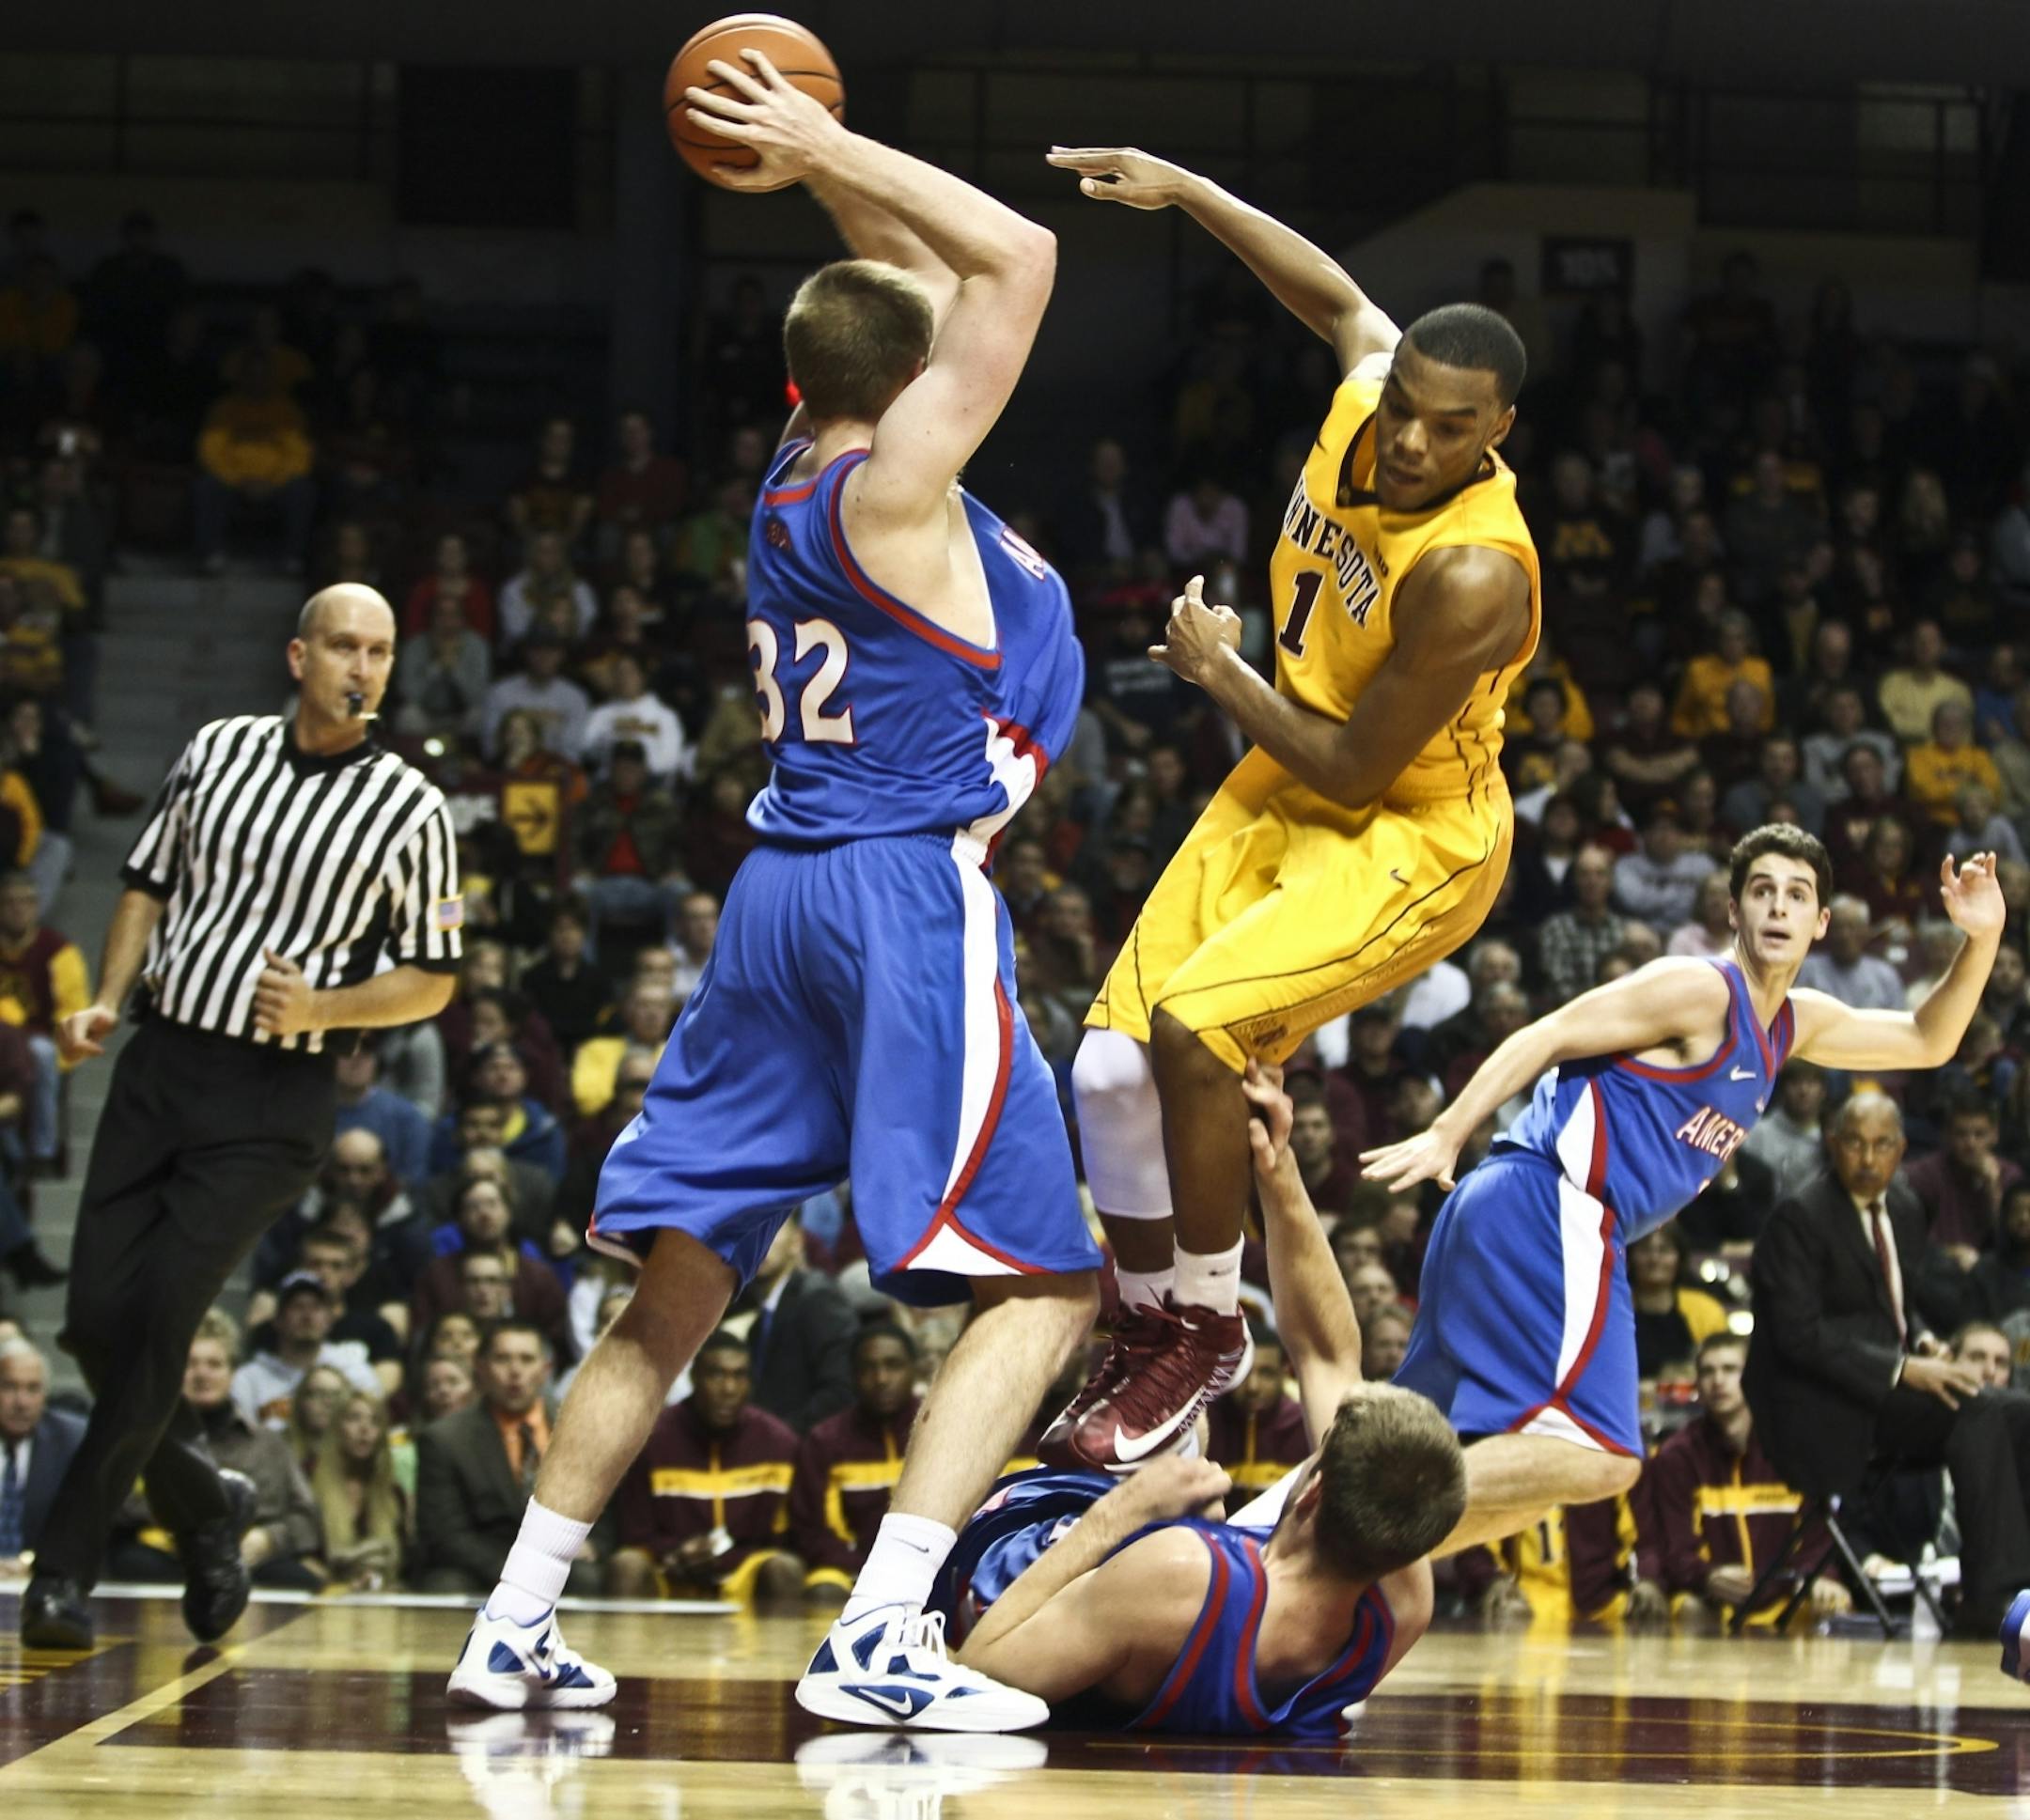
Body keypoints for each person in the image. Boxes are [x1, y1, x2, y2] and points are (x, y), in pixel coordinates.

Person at [447, 56, 1101, 1727]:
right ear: (920, 383)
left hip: (774, 899)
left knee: (674, 1291)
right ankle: (887, 1629)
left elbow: (921, 282)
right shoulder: (901, 491)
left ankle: (511, 1623)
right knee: (1051, 1283)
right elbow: (1011, 259)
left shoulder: (798, 471)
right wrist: (819, 139)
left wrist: (821, 177)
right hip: (898, 893)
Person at [1040, 142, 1539, 1479]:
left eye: (1453, 426)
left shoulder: (1475, 574)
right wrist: (1192, 192)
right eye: (1409, 410)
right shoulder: (1372, 396)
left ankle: (1206, 1325)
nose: (1415, 440)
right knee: (1101, 1065)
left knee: (1196, 1033)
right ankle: (1150, 1326)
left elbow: (1356, 773)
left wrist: (1219, 673)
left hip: (1411, 828)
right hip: (1291, 762)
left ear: (1498, 433)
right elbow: (1334, 302)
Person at [1359, 825, 2003, 1561]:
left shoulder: (1792, 1024)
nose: (1778, 907)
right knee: (1603, 1453)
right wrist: (1448, 1129)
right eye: (1762, 890)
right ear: (1733, 910)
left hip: (1515, 1208)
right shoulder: (1699, 989)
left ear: (1820, 922)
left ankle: (1314, 1549)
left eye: (1797, 895)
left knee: (1420, 1427)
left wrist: (1980, 940)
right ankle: (1367, 1526)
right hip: (1553, 1205)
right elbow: (1548, 1032)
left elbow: (1928, 1040)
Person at [22, 583, 460, 1651]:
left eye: (382, 651)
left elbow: (434, 977)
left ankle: (58, 1575)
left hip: (275, 1096)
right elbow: (143, 882)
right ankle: (208, 1505)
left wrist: (325, 1006)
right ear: (298, 654)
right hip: (162, 1061)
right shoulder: (218, 748)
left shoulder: (412, 806)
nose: (365, 667)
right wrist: (107, 998)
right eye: (346, 646)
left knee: (164, 1314)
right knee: (93, 1324)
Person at [922, 1063, 1464, 1734]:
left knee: (1072, 1331)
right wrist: (1277, 1169)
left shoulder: (1180, 1573)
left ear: (1316, 1487)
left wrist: (1124, 1512)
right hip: (1153, 1602)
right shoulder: (1403, 1598)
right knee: (1192, 1447)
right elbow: (1329, 1354)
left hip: (1006, 1563)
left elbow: (980, 1670)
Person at [1749, 1094, 2030, 1643]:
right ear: (1833, 1144)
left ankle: (2023, 1589)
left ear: (1902, 1150)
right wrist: (1904, 1369)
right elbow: (1797, 1337)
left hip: (1881, 1392)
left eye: (1881, 1145)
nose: (1868, 1158)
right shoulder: (1799, 1217)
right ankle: (1989, 1599)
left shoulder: (1902, 1207)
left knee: (2019, 1410)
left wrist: (1925, 1342)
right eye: (1855, 1143)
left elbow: (1898, 1304)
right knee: (1975, 1410)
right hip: (1813, 1405)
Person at [1643, 1334, 1847, 1625]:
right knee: (1689, 1608)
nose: (1718, 1381)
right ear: (1698, 1384)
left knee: (1835, 1599)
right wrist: (1708, 1576)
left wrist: (1818, 1576)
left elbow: (1819, 1536)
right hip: (1715, 1603)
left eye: (1730, 1370)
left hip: (1788, 1599)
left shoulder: (1797, 1449)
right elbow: (1676, 1550)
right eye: (1708, 1371)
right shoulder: (1676, 1457)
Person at [605, 1329, 803, 1604]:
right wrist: (678, 1551)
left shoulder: (778, 1443)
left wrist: (726, 1557)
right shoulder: (651, 1439)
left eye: (739, 1376)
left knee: (785, 1568)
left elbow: (790, 1538)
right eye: (717, 1374)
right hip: (670, 1568)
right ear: (694, 1377)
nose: (729, 1389)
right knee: (627, 1565)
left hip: (744, 1573)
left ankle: (787, 1649)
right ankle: (622, 1648)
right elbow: (635, 1533)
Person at [414, 1320, 600, 1598]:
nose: (515, 1371)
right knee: (446, 1585)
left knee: (587, 1578)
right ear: (482, 1368)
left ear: (545, 1370)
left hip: (559, 1559)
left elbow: (605, 1510)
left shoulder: (579, 1427)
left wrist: (595, 1545)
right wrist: (519, 1573)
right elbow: (447, 1536)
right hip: (483, 1564)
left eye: (527, 1360)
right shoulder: (445, 1439)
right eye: (503, 1359)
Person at [790, 1323, 922, 1602]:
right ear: (852, 1375)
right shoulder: (825, 1440)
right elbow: (812, 1530)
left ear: (914, 1369)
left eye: (893, 1365)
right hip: (849, 1570)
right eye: (868, 1368)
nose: (881, 1378)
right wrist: (867, 1568)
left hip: (931, 1564)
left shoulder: (941, 1427)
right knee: (823, 1590)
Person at [0, 1338, 85, 1571]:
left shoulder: (72, 1441)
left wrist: (30, 1563)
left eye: (33, 1388)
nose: (21, 1402)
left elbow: (82, 1527)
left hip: (42, 1576)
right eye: (9, 1386)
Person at [310, 1389, 408, 1591]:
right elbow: (301, 1555)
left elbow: (403, 1563)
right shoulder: (308, 1479)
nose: (365, 1428)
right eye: (354, 1418)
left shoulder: (393, 1493)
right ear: (337, 1427)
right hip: (321, 1589)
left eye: (375, 1421)